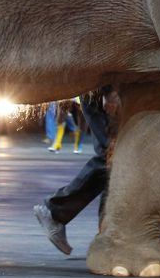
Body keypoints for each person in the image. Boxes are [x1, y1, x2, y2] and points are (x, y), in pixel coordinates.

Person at [34, 87, 118, 256]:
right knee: (113, 157)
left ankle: (109, 233)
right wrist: (109, 90)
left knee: (116, 161)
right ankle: (56, 212)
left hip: (102, 92)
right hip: (98, 92)